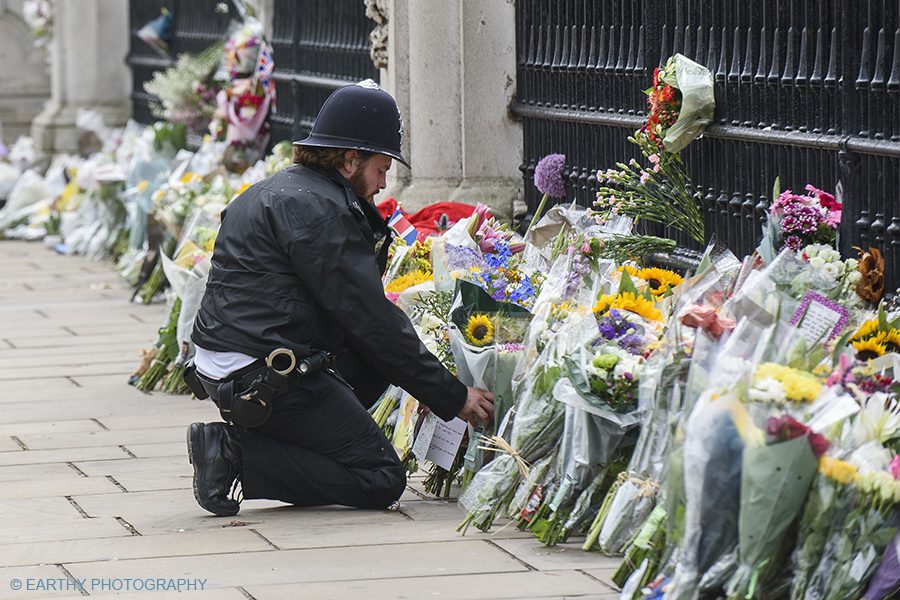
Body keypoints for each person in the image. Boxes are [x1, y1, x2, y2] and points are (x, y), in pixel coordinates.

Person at [185, 79, 495, 517]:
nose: (384, 183)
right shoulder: (321, 211)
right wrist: (453, 396)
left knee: (372, 364)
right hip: (263, 373)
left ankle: (276, 442)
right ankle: (235, 454)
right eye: (382, 168)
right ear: (351, 160)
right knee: (380, 477)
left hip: (233, 362)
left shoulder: (280, 191)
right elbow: (370, 320)